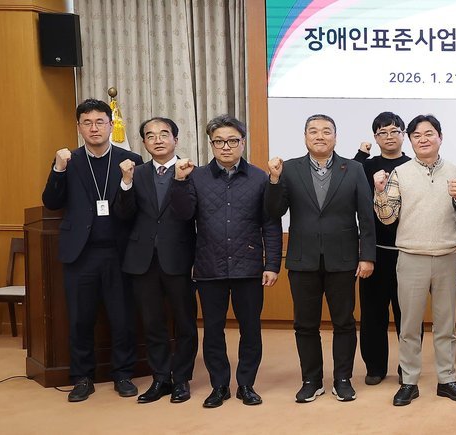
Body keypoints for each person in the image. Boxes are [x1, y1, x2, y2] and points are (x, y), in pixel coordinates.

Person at [169, 114, 281, 407]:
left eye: (232, 140)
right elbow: (182, 215)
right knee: (213, 330)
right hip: (209, 266)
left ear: (243, 142)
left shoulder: (259, 177)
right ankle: (219, 386)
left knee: (250, 329)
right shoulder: (196, 177)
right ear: (211, 144)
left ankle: (246, 384)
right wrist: (179, 182)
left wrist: (272, 265)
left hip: (249, 266)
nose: (226, 147)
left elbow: (270, 224)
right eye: (219, 142)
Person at [265, 114, 376, 403]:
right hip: (303, 259)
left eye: (327, 131)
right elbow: (274, 211)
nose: (320, 136)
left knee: (344, 322)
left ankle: (343, 379)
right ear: (305, 137)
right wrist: (274, 180)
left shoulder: (353, 168)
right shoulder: (288, 169)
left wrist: (367, 256)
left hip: (344, 259)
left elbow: (366, 216)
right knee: (305, 324)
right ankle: (311, 380)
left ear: (335, 138)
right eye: (313, 131)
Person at [42, 99, 143, 402]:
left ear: (111, 125)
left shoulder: (130, 160)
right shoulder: (68, 160)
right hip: (81, 254)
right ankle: (82, 377)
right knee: (80, 319)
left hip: (118, 253)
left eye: (100, 122)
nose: (94, 128)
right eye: (87, 122)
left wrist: (127, 181)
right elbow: (51, 202)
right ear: (79, 127)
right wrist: (58, 169)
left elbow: (136, 208)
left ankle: (123, 374)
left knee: (122, 318)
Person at [375, 114, 456, 406]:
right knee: (409, 327)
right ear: (410, 141)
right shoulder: (400, 173)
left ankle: (447, 380)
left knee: (446, 326)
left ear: (440, 137)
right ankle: (409, 382)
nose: (423, 139)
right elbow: (387, 217)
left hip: (447, 257)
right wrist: (380, 192)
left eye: (429, 134)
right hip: (411, 257)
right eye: (416, 136)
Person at [111, 117, 197, 404]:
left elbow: (189, 214)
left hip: (179, 258)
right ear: (144, 143)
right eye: (150, 135)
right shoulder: (136, 173)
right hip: (142, 260)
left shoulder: (192, 172)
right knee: (152, 323)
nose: (157, 140)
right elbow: (123, 215)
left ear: (176, 139)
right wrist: (125, 182)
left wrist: (181, 181)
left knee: (185, 323)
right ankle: (161, 378)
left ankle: (181, 378)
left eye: (164, 134)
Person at [353, 111, 412, 386]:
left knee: (407, 315)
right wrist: (360, 154)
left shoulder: (412, 165)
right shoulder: (365, 166)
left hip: (407, 251)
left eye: (394, 131)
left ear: (404, 135)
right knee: (373, 313)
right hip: (373, 252)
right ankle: (375, 367)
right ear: (375, 138)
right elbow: (345, 182)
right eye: (382, 132)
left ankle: (407, 368)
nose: (389, 137)